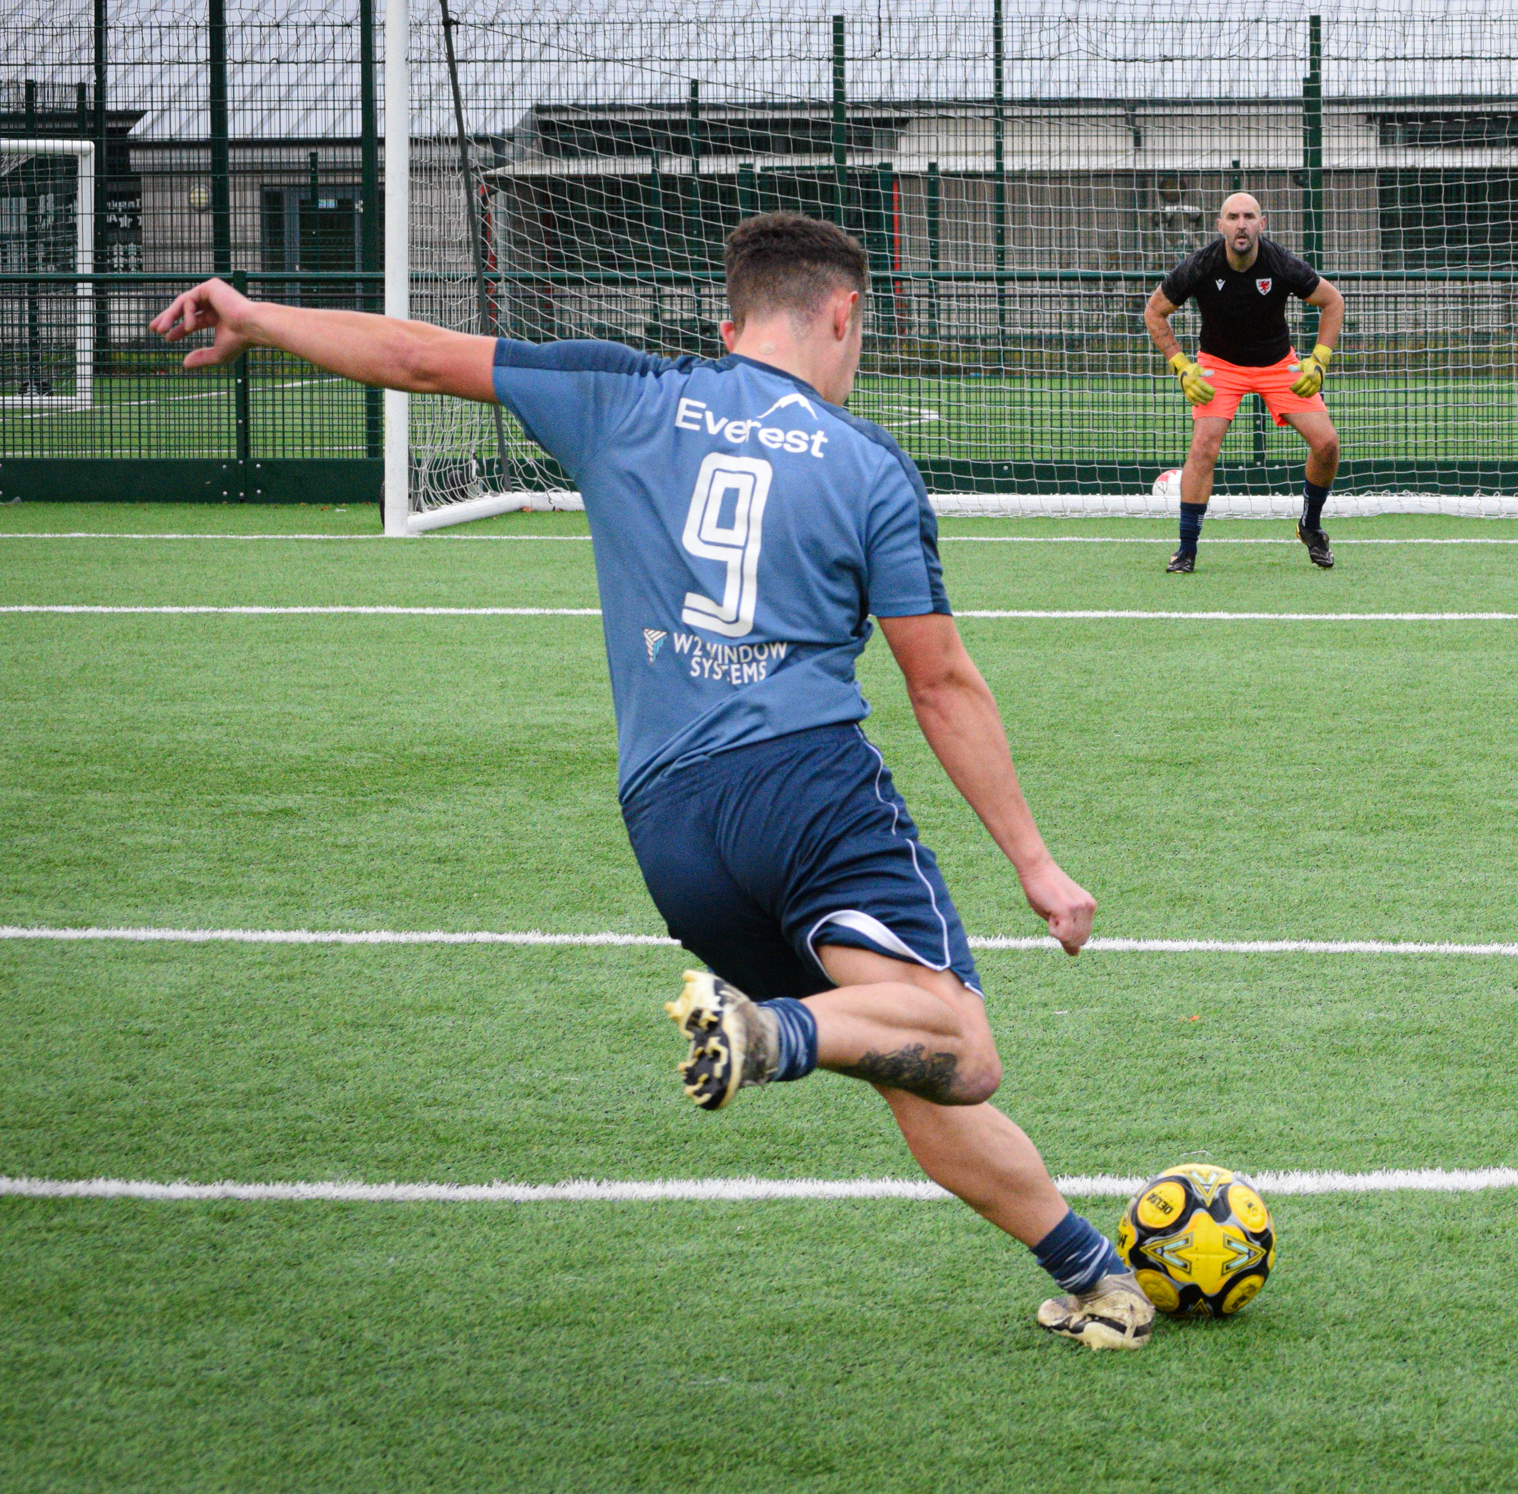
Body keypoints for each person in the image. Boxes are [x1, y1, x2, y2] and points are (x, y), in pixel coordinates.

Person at [149, 213, 1157, 1352]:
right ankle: (767, 1032)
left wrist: (255, 314)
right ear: (842, 313)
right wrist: (1035, 859)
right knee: (961, 1049)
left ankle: (1094, 1273)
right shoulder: (869, 464)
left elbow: (419, 355)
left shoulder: (623, 394)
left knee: (898, 1057)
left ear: (730, 325)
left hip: (674, 833)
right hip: (808, 792)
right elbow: (942, 684)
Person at [1143, 192, 1346, 573]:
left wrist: (1319, 360)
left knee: (1328, 443)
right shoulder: (1200, 265)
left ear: (1261, 224)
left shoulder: (1280, 262)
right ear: (1220, 226)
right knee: (1203, 447)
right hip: (1219, 365)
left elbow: (1332, 301)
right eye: (1233, 217)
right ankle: (1186, 549)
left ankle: (1311, 526)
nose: (1241, 224)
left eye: (1249, 216)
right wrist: (1182, 366)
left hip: (1276, 364)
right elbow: (1154, 311)